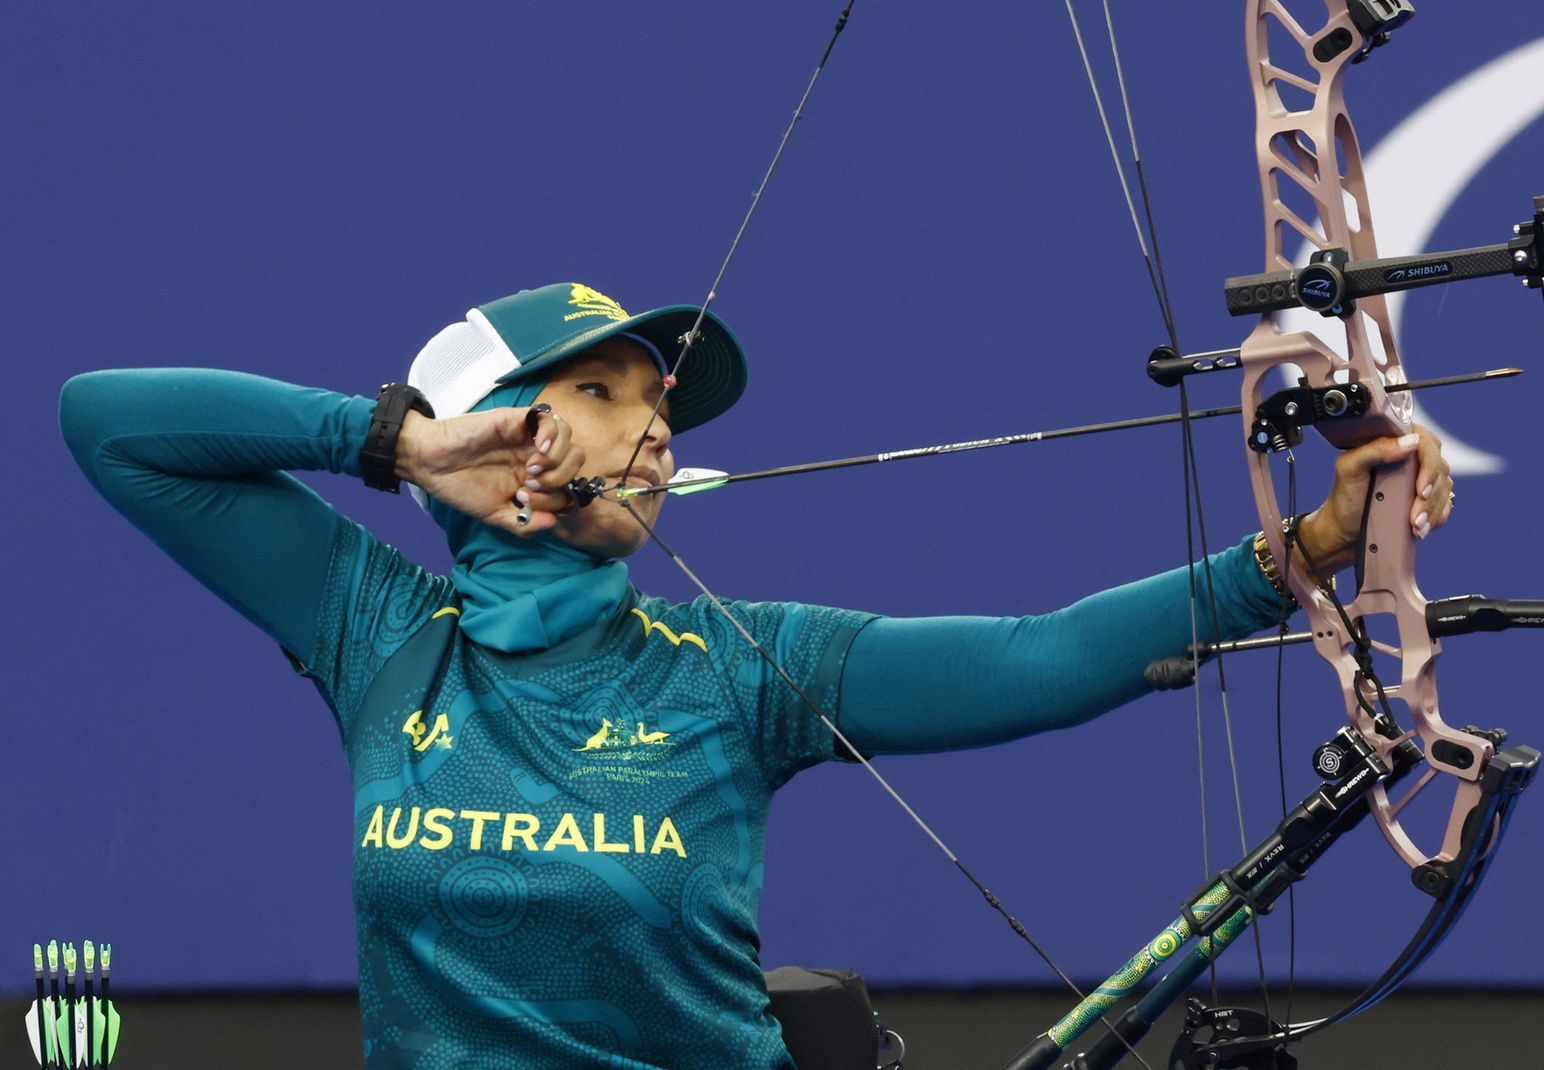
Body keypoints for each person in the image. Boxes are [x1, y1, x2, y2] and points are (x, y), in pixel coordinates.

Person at [59, 282, 1452, 1069]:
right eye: (603, 390)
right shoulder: (380, 627)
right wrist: (393, 442)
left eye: (657, 399)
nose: (652, 422)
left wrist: (1311, 546)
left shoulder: (741, 664)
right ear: (496, 428)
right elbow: (107, 423)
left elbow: (1041, 656)